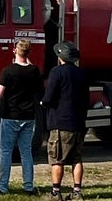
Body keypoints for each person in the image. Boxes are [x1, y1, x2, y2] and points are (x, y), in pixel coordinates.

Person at [0, 38, 43, 196]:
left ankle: (3, 187)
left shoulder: (7, 71)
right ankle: (28, 186)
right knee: (26, 152)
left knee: (6, 151)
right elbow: (39, 90)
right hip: (28, 116)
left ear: (15, 51)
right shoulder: (34, 70)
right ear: (29, 52)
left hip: (10, 115)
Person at [41, 41, 89, 201]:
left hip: (61, 122)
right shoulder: (81, 73)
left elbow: (49, 96)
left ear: (60, 57)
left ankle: (56, 192)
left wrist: (44, 103)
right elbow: (86, 98)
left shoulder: (57, 72)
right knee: (76, 158)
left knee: (57, 159)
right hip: (79, 122)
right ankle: (77, 191)